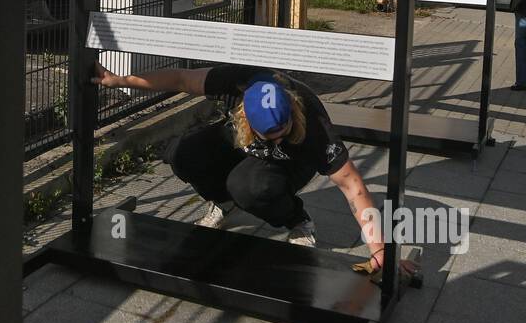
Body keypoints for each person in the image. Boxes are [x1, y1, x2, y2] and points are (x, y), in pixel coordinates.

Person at [92, 62, 416, 277]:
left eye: (284, 130)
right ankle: (223, 202)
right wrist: (120, 80)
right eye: (271, 134)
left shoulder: (313, 125)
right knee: (182, 153)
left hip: (289, 168)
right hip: (241, 144)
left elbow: (353, 187)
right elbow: (179, 78)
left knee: (250, 186)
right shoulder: (238, 82)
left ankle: (297, 220)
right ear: (248, 118)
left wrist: (380, 250)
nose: (280, 136)